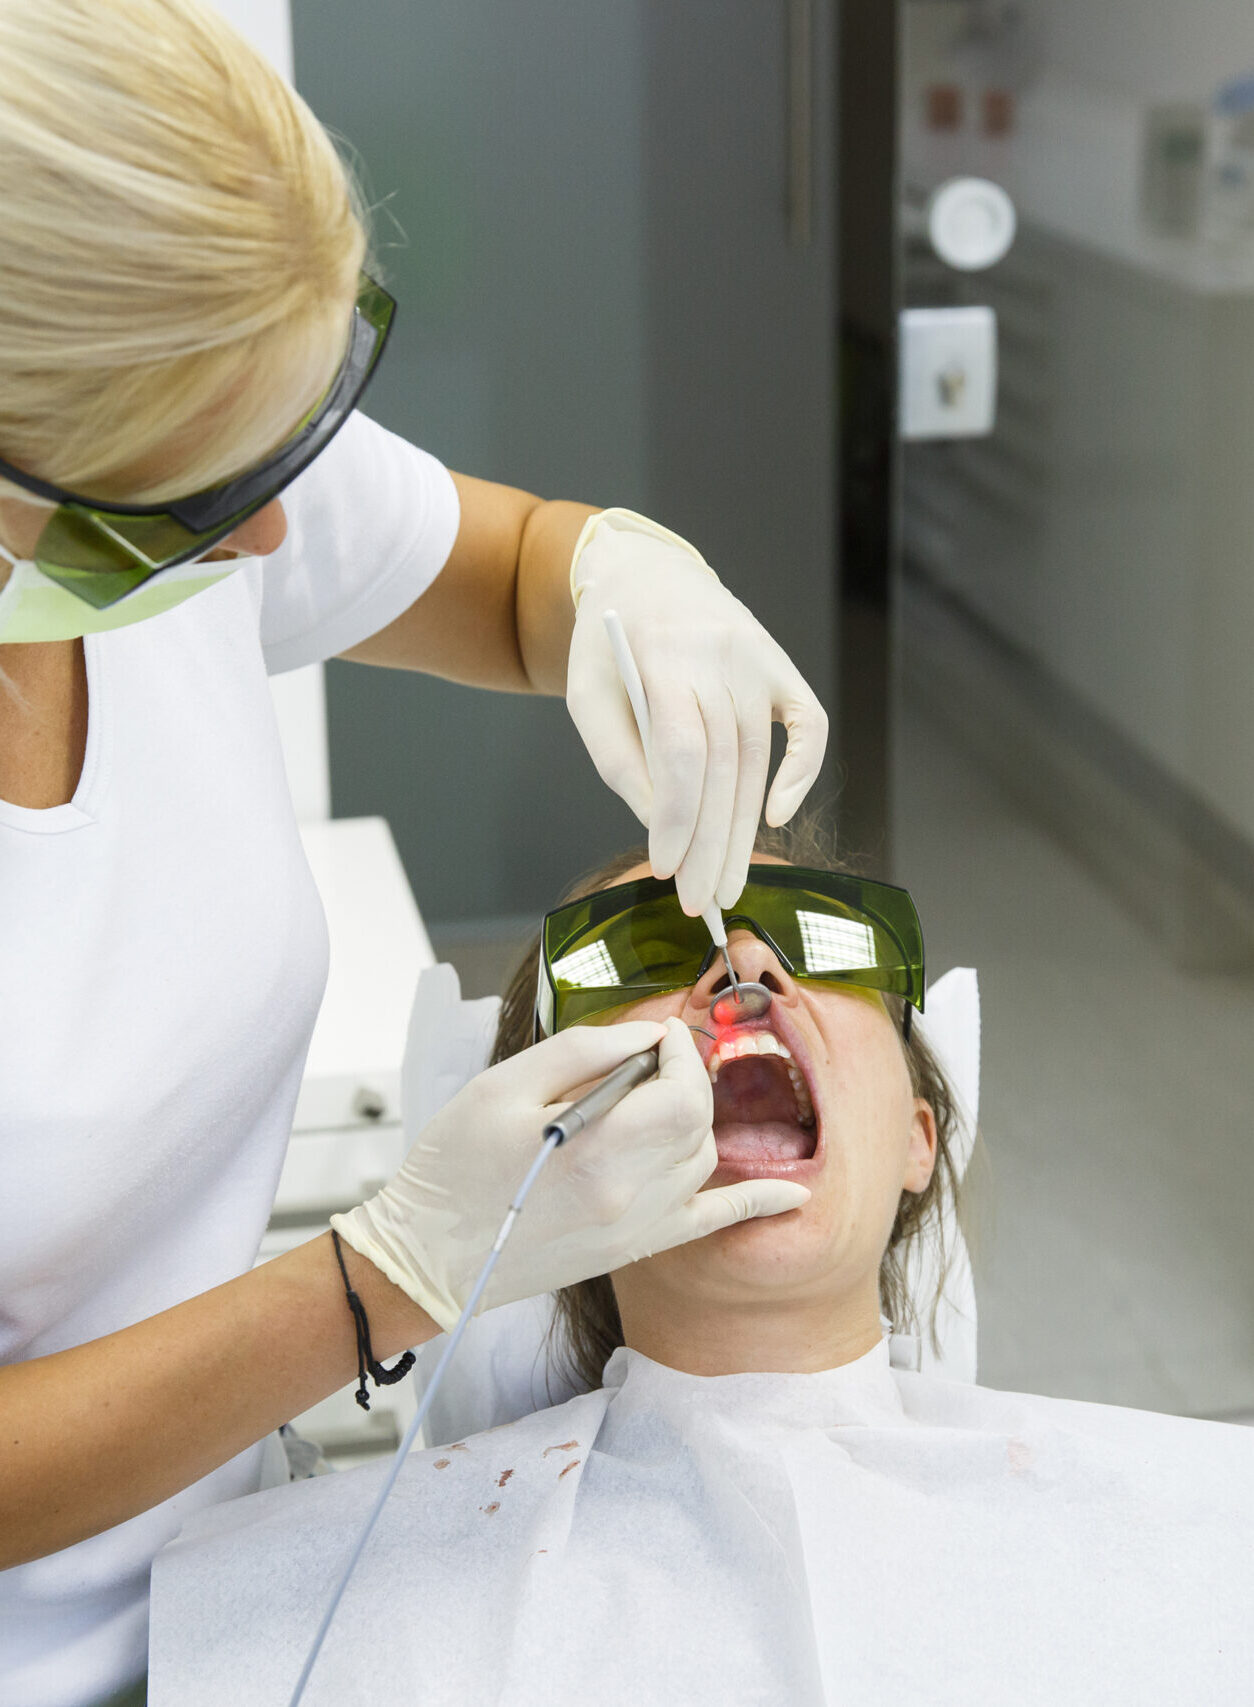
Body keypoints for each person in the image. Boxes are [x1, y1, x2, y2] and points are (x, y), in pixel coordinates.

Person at [0, 5, 827, 1704]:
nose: (270, 534)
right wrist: (385, 1274)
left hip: (231, 1579)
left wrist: (621, 576)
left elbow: (512, 573)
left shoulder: (185, 449)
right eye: (194, 497)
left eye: (295, 436)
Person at [148, 824, 1254, 1705]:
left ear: (919, 1139)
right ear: (555, 1144)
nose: (745, 962)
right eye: (643, 950)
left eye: (822, 940)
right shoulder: (322, 1600)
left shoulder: (1202, 1532)